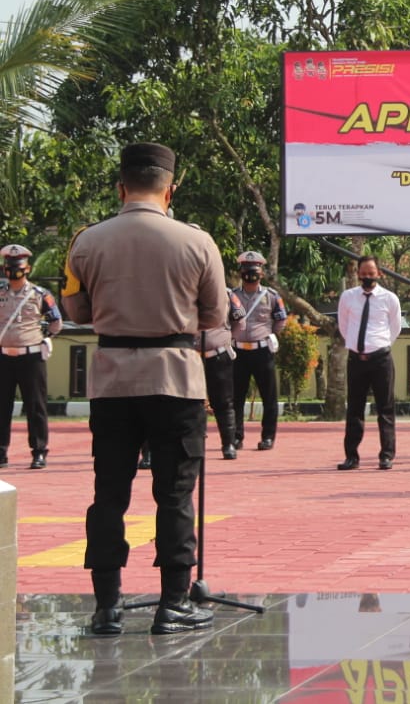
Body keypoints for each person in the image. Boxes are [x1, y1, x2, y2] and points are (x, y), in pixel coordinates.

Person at [63, 142, 227, 636]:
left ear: (121, 187)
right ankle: (173, 603)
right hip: (175, 376)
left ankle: (107, 607)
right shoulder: (197, 242)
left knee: (108, 493)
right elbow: (216, 315)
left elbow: (76, 313)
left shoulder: (86, 241)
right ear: (170, 190)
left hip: (112, 379)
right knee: (174, 494)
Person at [336, 256, 402, 471]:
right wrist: (358, 346)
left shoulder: (389, 298)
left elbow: (395, 328)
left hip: (381, 359)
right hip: (356, 359)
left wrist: (378, 345)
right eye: (363, 273)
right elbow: (344, 326)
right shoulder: (348, 297)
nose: (367, 277)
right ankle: (351, 457)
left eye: (371, 273)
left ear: (379, 274)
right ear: (357, 274)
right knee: (354, 408)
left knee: (385, 408)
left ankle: (386, 455)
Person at [0, 243, 63, 469]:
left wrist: (46, 338)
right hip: (4, 357)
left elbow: (56, 322)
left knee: (35, 406)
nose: (13, 271)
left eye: (18, 267)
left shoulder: (40, 295)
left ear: (27, 269)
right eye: (10, 266)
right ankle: (1, 452)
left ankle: (39, 452)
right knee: (1, 407)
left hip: (31, 357)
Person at [230, 251, 287, 451]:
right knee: (236, 397)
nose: (250, 274)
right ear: (241, 272)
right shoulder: (232, 296)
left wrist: (269, 335)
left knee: (269, 396)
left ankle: (268, 437)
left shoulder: (271, 296)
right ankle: (236, 437)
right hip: (238, 353)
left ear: (261, 273)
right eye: (246, 270)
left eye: (254, 270)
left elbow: (281, 319)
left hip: (262, 352)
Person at [203, 288, 246, 460]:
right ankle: (193, 442)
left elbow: (240, 320)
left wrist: (225, 338)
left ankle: (228, 444)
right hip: (188, 355)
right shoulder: (183, 287)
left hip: (217, 355)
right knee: (188, 402)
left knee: (223, 402)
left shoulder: (227, 293)